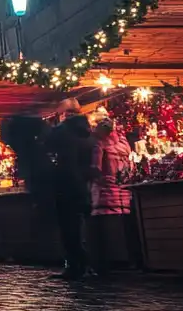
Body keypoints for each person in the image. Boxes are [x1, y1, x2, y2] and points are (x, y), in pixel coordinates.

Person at [45, 99, 95, 279]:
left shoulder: (61, 132)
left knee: (68, 228)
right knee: (83, 227)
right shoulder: (88, 133)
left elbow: (45, 147)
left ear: (63, 113)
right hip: (84, 185)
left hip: (65, 184)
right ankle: (87, 265)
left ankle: (74, 266)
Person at [89, 119, 133, 272]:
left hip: (105, 193)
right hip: (123, 191)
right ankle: (127, 259)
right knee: (124, 226)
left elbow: (95, 167)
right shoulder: (124, 145)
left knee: (105, 229)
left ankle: (109, 260)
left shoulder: (99, 145)